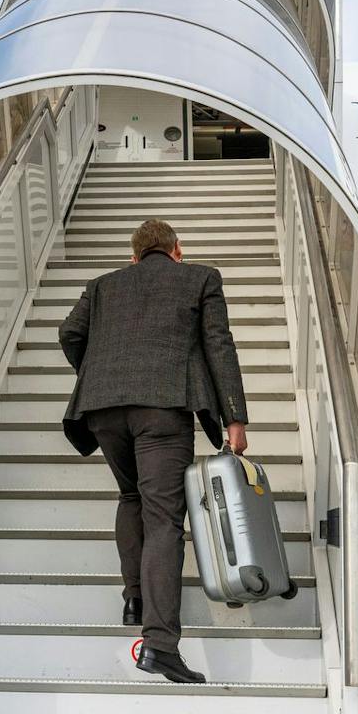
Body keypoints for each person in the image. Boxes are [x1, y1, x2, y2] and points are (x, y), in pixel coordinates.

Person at [59, 218, 249, 684]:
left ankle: (136, 597)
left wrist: (101, 374)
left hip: (103, 410)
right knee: (164, 519)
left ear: (134, 255)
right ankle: (160, 645)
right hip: (163, 409)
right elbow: (218, 345)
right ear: (177, 250)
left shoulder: (102, 286)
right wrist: (234, 419)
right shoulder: (201, 277)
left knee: (132, 499)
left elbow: (69, 334)